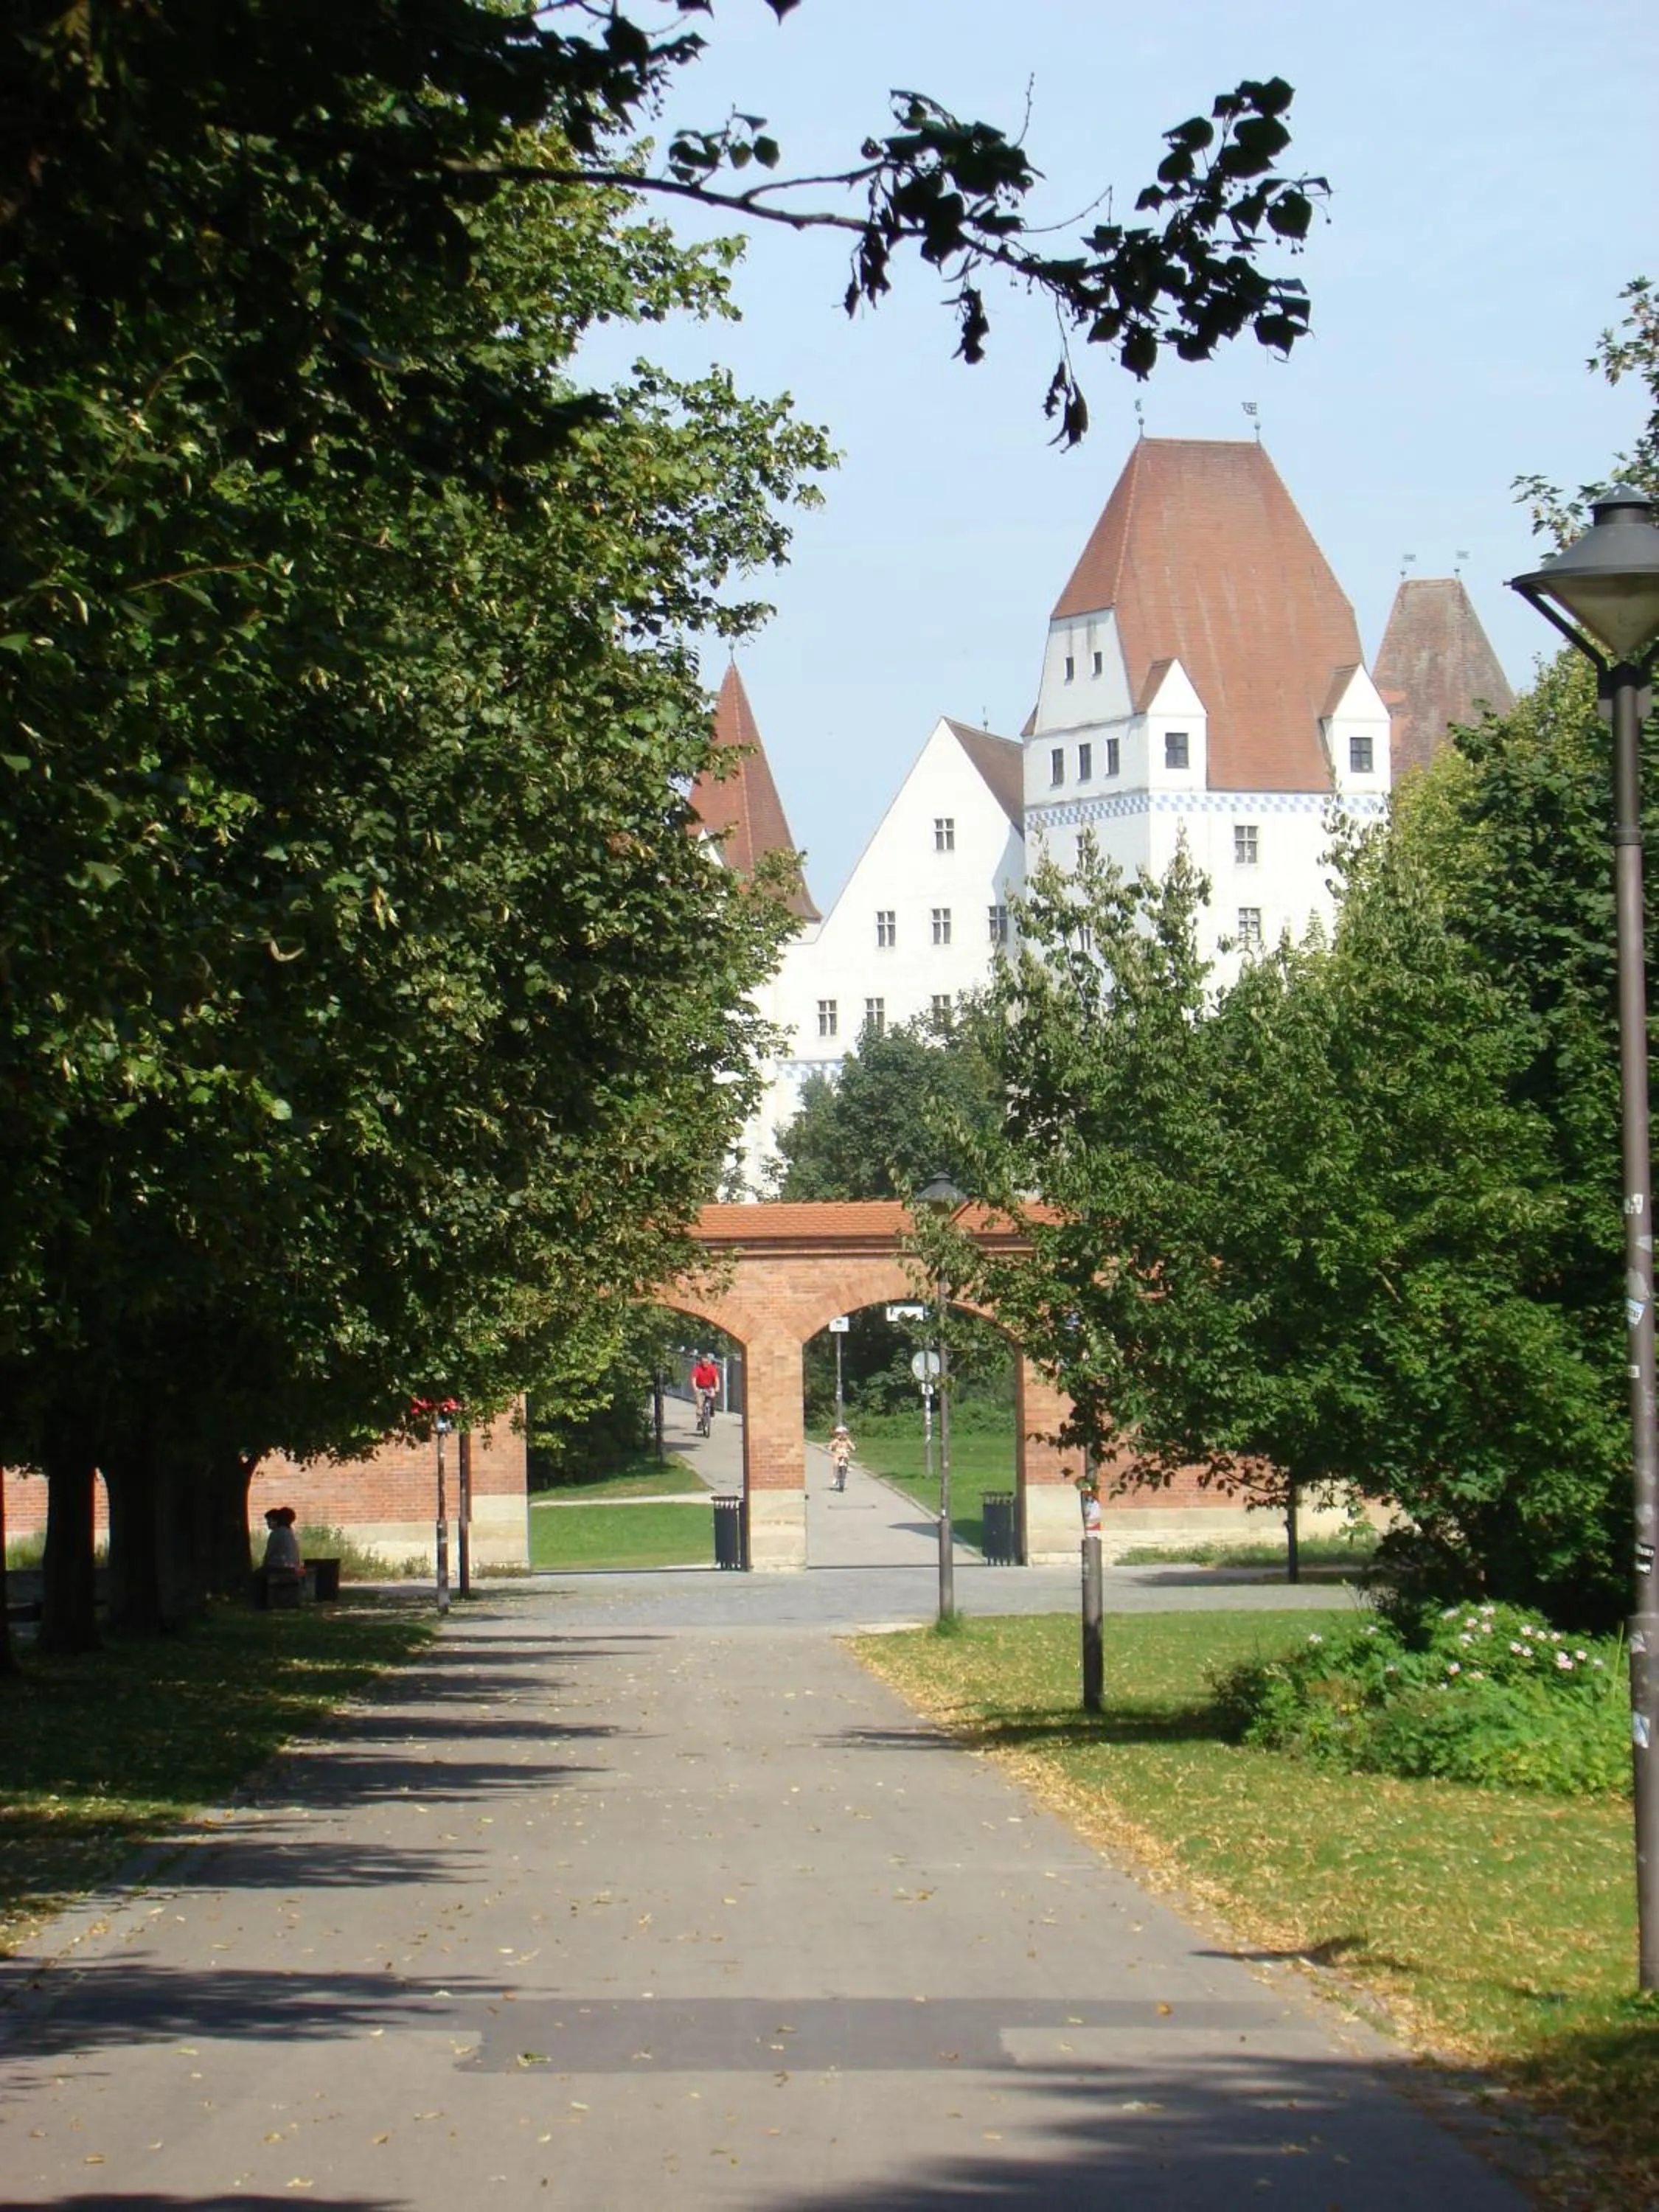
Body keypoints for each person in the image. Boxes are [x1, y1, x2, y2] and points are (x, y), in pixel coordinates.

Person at [260, 1506, 305, 1602]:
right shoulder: (290, 1533)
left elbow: (269, 1553)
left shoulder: (276, 1534)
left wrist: (264, 1565)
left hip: (281, 1566)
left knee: (258, 1575)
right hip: (294, 1565)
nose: (267, 1524)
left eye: (269, 1521)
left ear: (277, 1521)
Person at [689, 1352, 720, 1436]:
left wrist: (717, 1387)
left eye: (707, 1362)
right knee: (700, 1405)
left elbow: (716, 1379)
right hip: (700, 1387)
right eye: (704, 1362)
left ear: (709, 1361)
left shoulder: (712, 1368)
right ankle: (699, 1421)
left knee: (712, 1395)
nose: (706, 1364)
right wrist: (695, 1388)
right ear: (701, 1362)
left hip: (709, 1387)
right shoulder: (697, 1368)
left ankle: (712, 1409)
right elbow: (694, 1379)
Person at [829, 1423, 854, 1492]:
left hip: (845, 1453)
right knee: (835, 1463)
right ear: (836, 1435)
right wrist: (831, 1447)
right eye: (839, 1434)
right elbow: (831, 1445)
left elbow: (851, 1446)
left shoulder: (847, 1441)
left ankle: (847, 1466)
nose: (841, 1436)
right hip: (838, 1454)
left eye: (843, 1434)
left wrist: (853, 1448)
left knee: (847, 1457)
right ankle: (835, 1477)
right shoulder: (836, 1441)